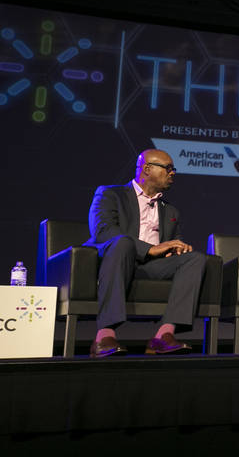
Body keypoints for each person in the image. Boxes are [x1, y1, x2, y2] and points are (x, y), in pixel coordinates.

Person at [85, 149, 207, 358]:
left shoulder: (171, 211)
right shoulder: (110, 194)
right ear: (147, 169)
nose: (172, 173)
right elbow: (103, 232)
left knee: (195, 258)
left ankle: (164, 335)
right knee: (122, 243)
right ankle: (104, 336)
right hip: (118, 260)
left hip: (153, 265)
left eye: (173, 169)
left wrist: (175, 250)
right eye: (168, 168)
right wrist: (148, 248)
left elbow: (171, 242)